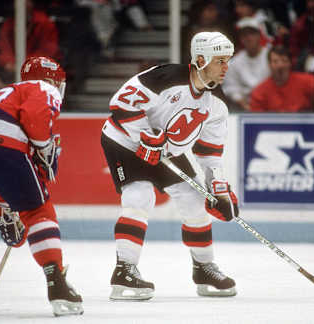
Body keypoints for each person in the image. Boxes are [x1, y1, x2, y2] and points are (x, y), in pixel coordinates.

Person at [101, 31, 238, 300]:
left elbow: (209, 153)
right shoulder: (165, 78)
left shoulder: (217, 104)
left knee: (196, 200)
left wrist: (218, 190)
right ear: (201, 59)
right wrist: (144, 136)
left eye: (228, 60)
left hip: (165, 150)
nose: (226, 66)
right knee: (139, 196)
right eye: (220, 60)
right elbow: (120, 104)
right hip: (124, 143)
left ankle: (204, 268)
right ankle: (124, 270)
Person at [0, 56, 83, 316]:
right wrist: (43, 149)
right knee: (38, 211)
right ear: (52, 80)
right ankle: (57, 283)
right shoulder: (42, 88)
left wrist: (6, 205)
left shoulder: (0, 93)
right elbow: (33, 118)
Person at [250, 45, 314, 112]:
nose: (280, 65)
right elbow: (255, 120)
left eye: (284, 61)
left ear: (290, 64)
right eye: (275, 61)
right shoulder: (260, 92)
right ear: (269, 65)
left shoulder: (308, 82)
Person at [0, 0, 61, 82]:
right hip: (13, 73)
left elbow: (48, 51)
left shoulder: (44, 23)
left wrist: (26, 64)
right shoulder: (9, 24)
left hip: (41, 73)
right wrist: (8, 63)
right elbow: (3, 48)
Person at [222, 17, 271, 111]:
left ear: (259, 35)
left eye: (252, 33)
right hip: (244, 108)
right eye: (244, 35)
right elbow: (230, 88)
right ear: (241, 39)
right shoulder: (234, 62)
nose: (248, 38)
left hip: (270, 106)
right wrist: (244, 104)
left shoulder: (271, 56)